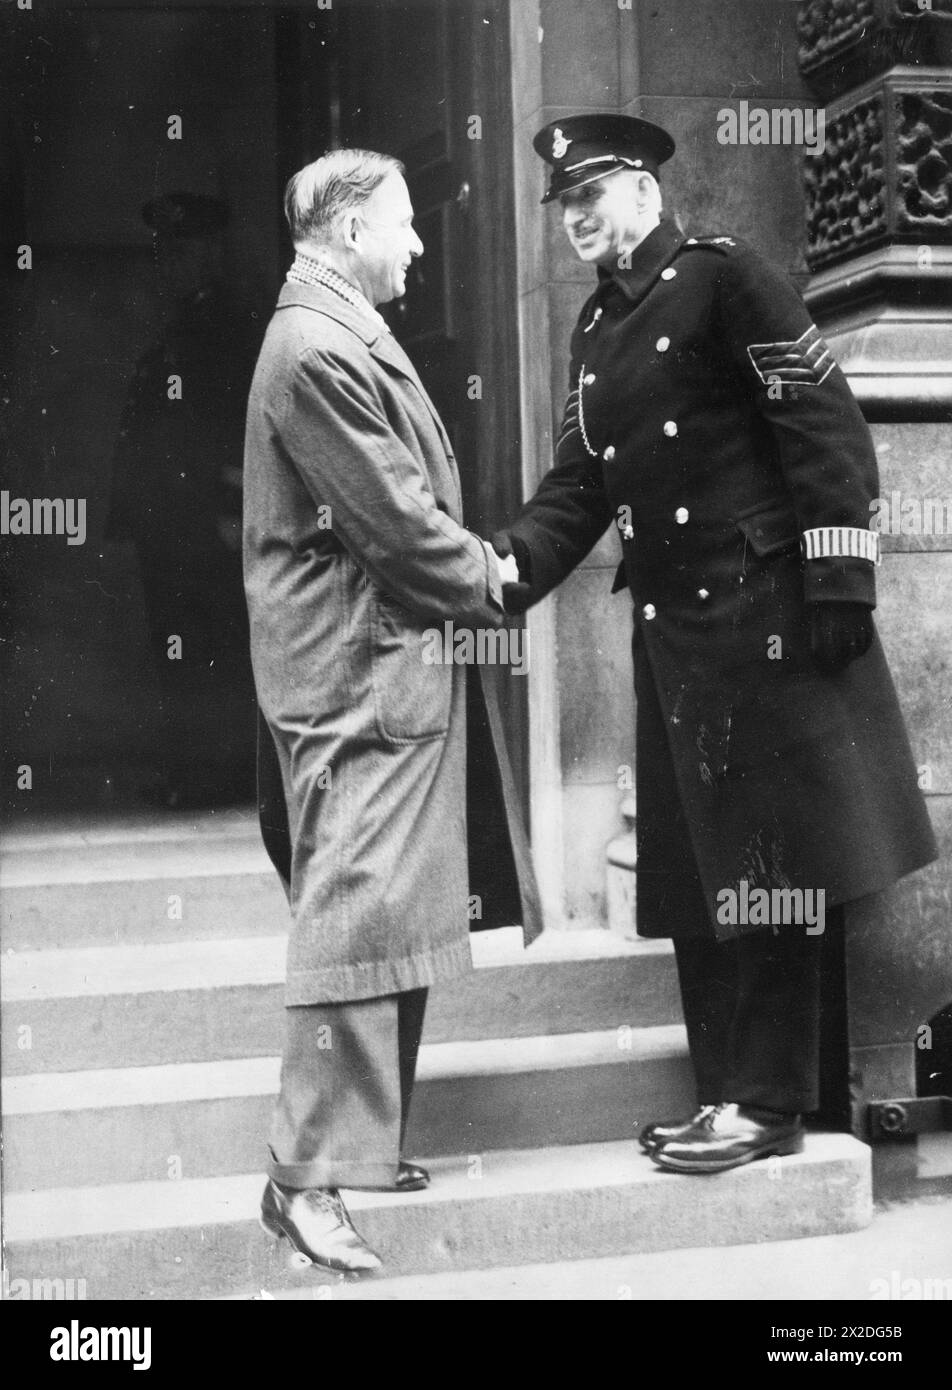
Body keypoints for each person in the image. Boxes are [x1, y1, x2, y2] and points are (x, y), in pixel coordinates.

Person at [492, 114, 937, 1175]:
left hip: (764, 625)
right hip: (674, 637)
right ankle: (720, 1095)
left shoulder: (724, 276)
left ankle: (772, 1103)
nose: (578, 221)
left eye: (593, 196)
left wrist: (837, 576)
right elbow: (578, 486)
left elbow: (820, 419)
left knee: (771, 868)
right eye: (565, 207)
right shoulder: (594, 332)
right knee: (698, 874)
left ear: (645, 190)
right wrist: (503, 568)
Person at [243, 149, 535, 1275]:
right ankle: (303, 1181)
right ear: (352, 227)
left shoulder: (331, 329)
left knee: (388, 914)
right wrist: (491, 577)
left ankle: (347, 1154)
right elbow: (397, 524)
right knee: (356, 917)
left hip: (378, 667)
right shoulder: (318, 344)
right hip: (358, 678)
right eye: (406, 226)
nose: (419, 246)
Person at [109, 192, 260, 807]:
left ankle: (214, 781)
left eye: (181, 251)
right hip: (171, 522)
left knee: (209, 648)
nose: (166, 264)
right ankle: (193, 776)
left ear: (211, 255)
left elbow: (237, 428)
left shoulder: (229, 330)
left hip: (205, 521)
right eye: (163, 252)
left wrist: (231, 508)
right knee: (179, 645)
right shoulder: (183, 327)